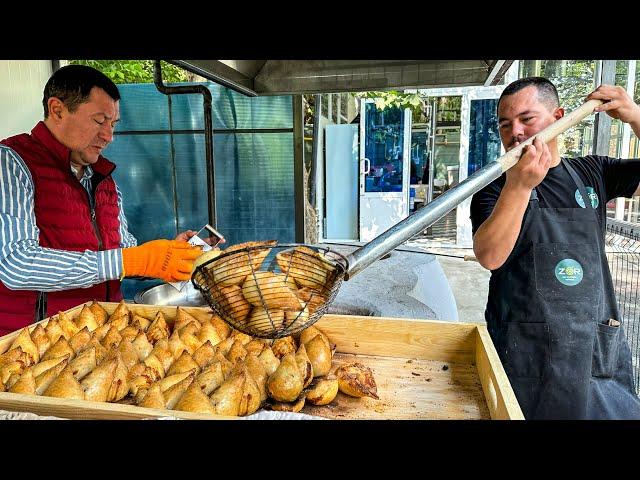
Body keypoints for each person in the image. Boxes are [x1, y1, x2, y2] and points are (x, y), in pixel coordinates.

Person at [470, 77, 640, 419]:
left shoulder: (593, 173)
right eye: (505, 125)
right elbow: (490, 256)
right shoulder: (493, 190)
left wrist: (635, 116)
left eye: (526, 119)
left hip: (591, 348)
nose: (515, 132)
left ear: (558, 116)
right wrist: (518, 187)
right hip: (523, 350)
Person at [0, 64, 207, 336]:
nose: (108, 136)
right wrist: (131, 260)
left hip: (102, 334)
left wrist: (163, 255)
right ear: (57, 109)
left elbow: (122, 249)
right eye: (99, 121)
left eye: (113, 124)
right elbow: (15, 263)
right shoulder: (12, 162)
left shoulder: (103, 179)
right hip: (34, 346)